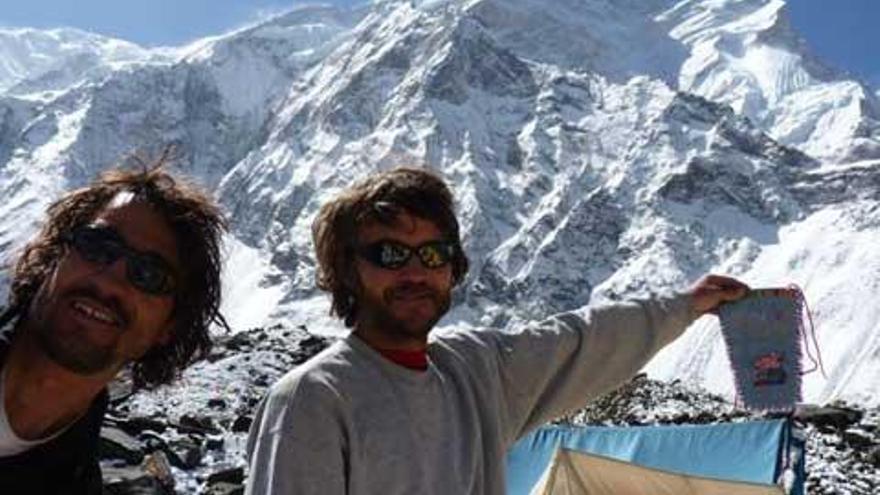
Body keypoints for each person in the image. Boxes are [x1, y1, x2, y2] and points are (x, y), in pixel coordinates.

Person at [245, 167, 749, 494]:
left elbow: (583, 340)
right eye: (390, 254)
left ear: (454, 267)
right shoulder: (312, 399)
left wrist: (687, 305)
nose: (415, 272)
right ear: (347, 270)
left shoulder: (474, 372)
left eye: (434, 254)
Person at [0, 158, 228, 494]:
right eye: (96, 246)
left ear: (169, 327)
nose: (110, 282)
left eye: (149, 275)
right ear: (53, 259)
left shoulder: (74, 479)